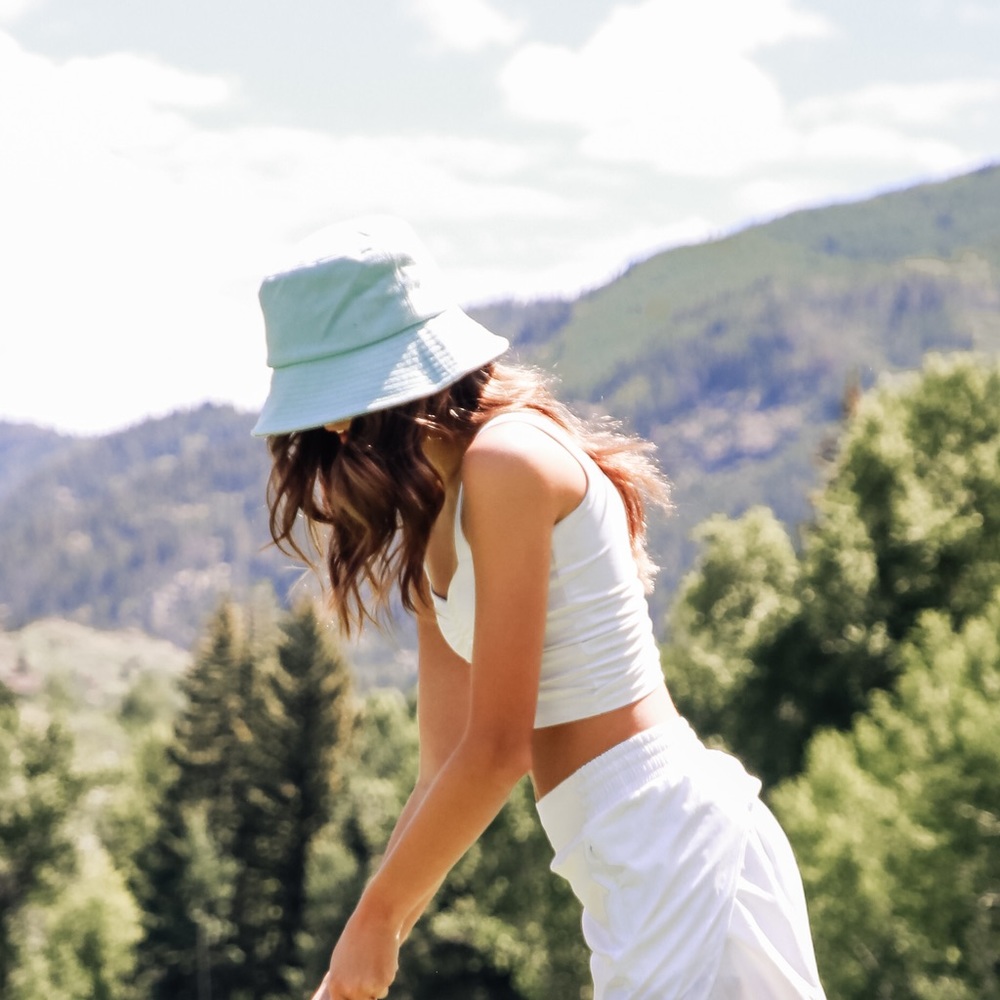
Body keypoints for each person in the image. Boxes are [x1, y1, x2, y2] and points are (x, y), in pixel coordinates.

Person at [253, 216, 826, 1000]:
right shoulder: (433, 519)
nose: (328, 426)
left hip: (677, 845)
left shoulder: (508, 461)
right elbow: (441, 770)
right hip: (619, 871)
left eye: (337, 394)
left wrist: (377, 923)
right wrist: (359, 957)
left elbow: (498, 750)